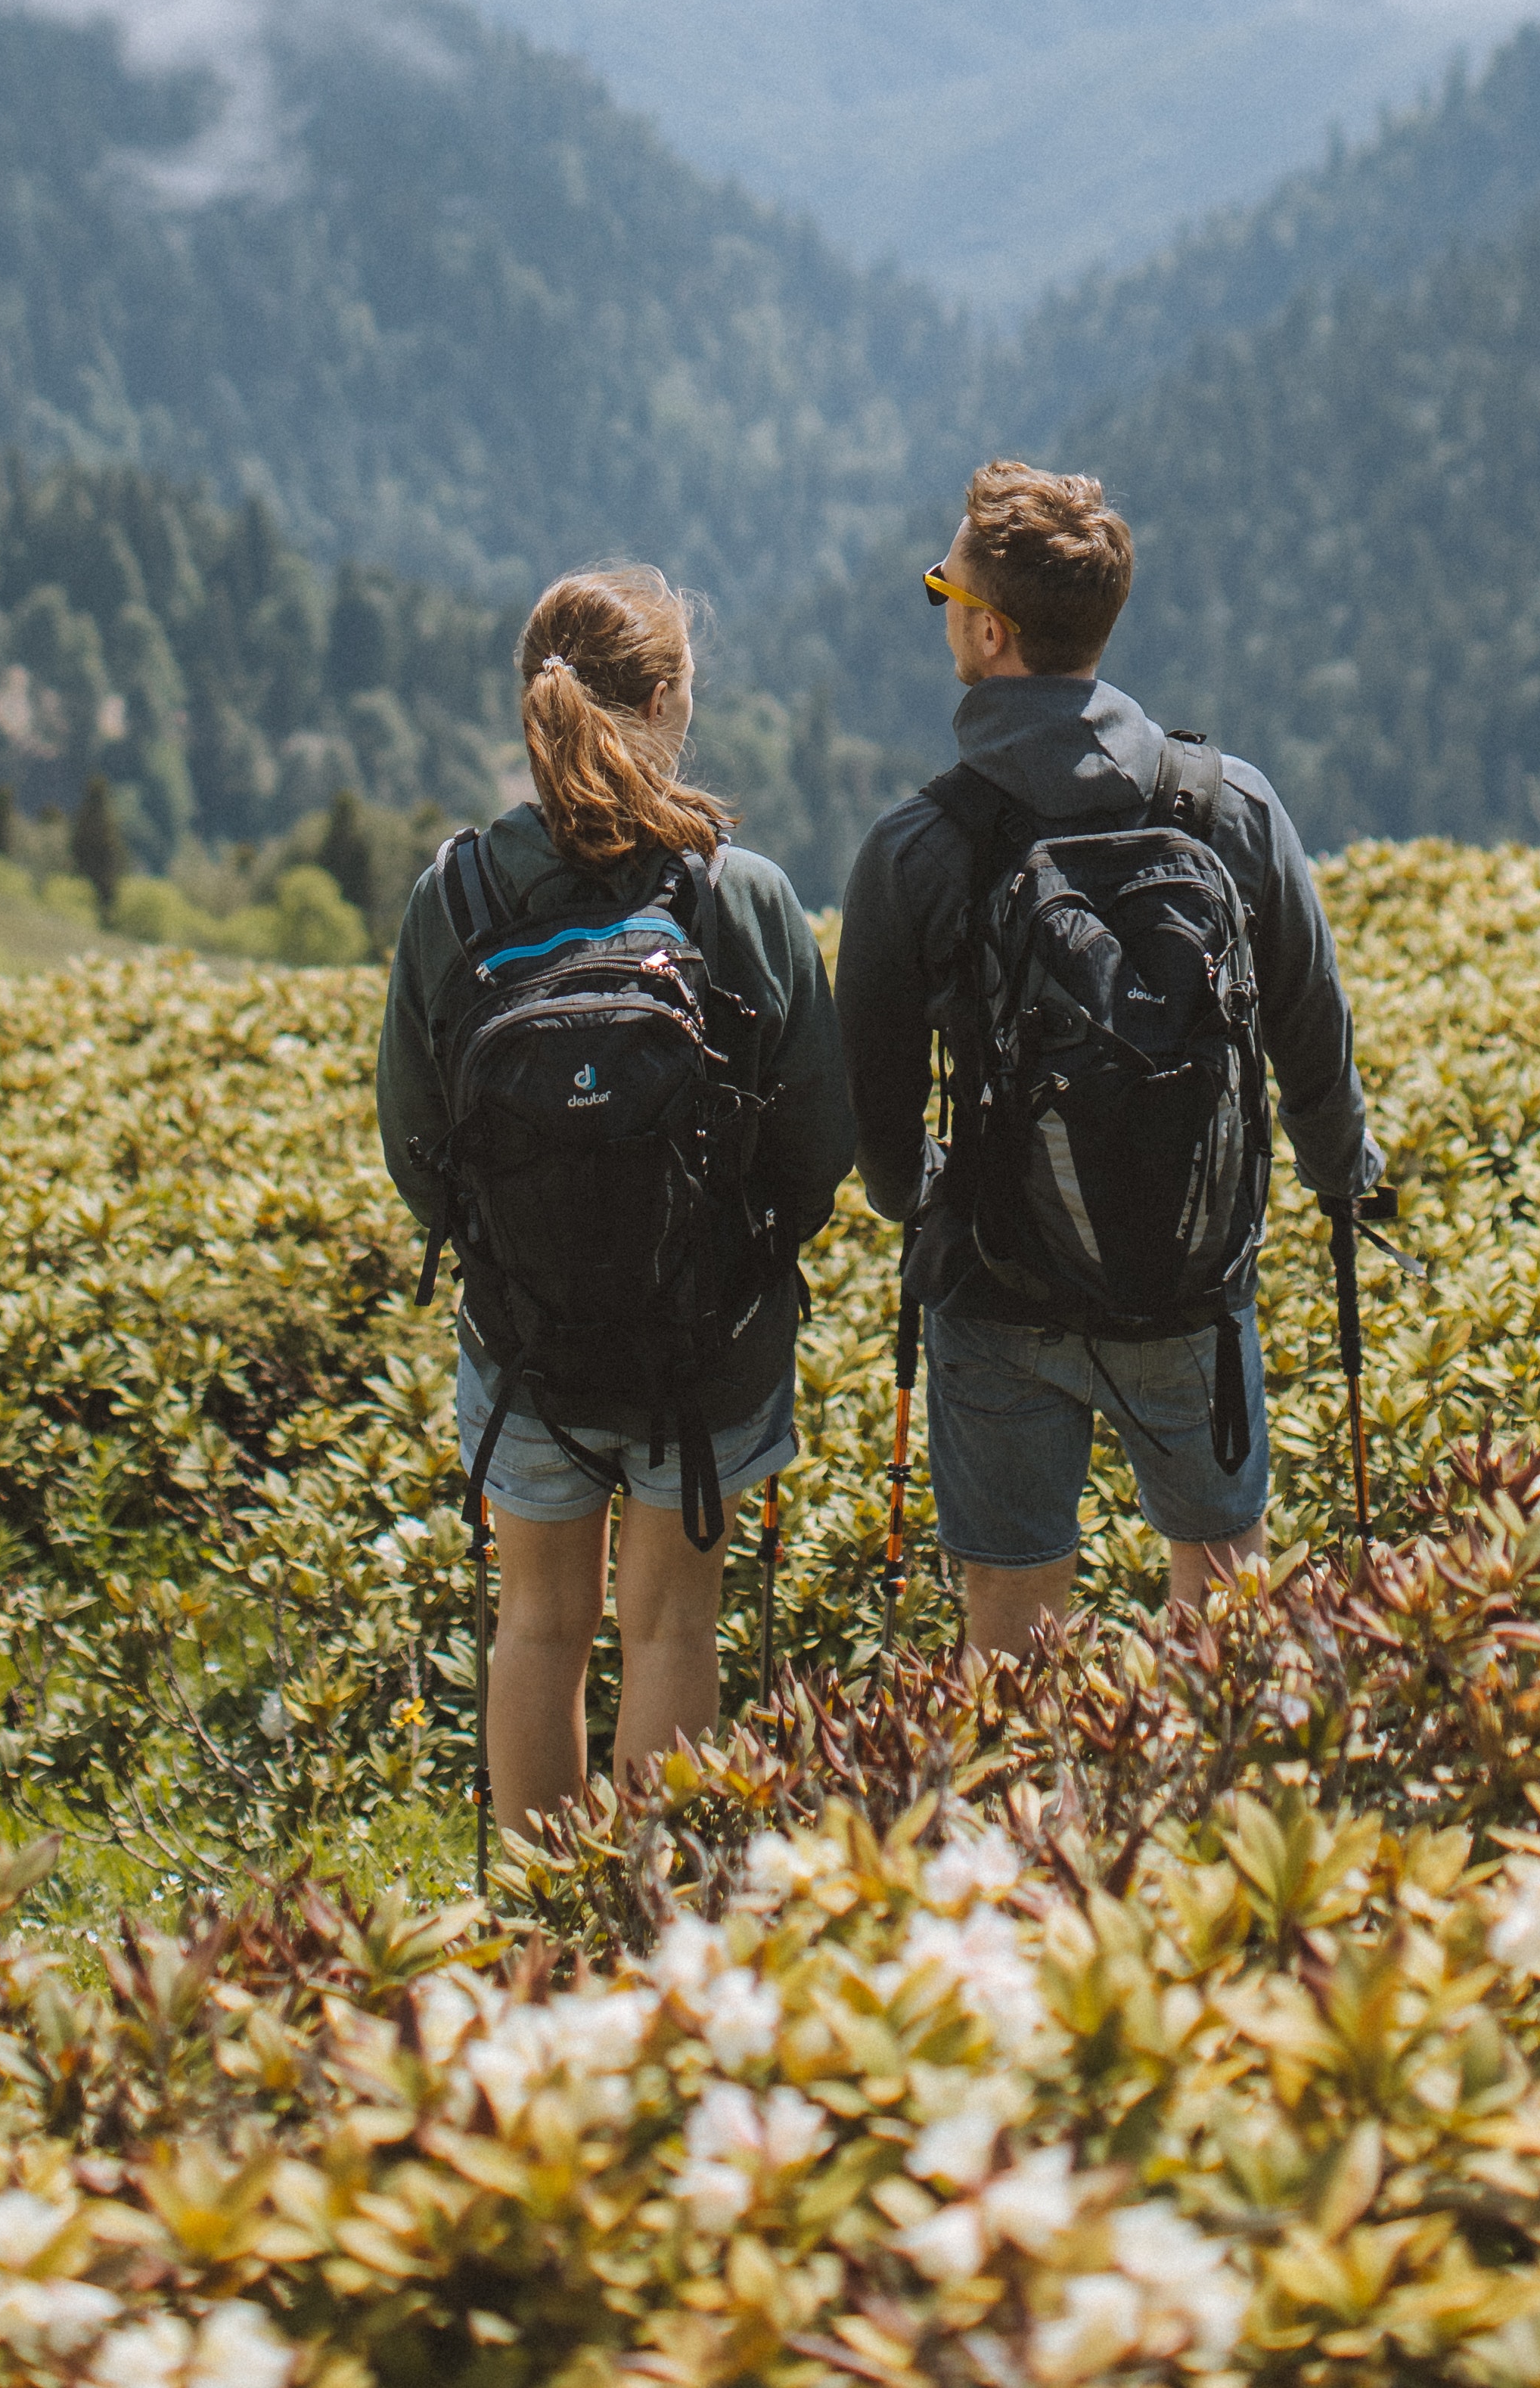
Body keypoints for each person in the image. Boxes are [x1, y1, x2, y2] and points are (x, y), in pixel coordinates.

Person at [836, 455, 1376, 1660]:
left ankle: (1034, 1842)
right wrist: (1343, 1175)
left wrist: (925, 1203)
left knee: (1013, 1645)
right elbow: (1310, 1026)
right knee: (1228, 1609)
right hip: (1190, 1279)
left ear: (986, 634)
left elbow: (869, 1105)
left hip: (996, 1293)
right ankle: (1204, 1821)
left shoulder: (919, 848)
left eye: (943, 594)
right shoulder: (1227, 806)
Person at [379, 562, 854, 1825]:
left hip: (529, 1341)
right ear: (670, 702)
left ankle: (547, 1935)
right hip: (709, 1350)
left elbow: (413, 1144)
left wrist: (524, 1254)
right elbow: (819, 1143)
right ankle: (648, 1933)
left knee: (537, 1627)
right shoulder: (736, 894)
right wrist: (731, 1258)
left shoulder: (459, 895)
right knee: (671, 1625)